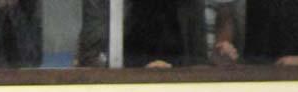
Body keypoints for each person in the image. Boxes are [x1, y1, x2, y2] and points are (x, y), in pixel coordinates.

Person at [76, 0, 207, 68]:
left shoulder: (189, 4)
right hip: (124, 79)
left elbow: (199, 57)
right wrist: (138, 67)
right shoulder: (105, 3)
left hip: (178, 79)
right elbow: (91, 57)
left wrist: (174, 67)